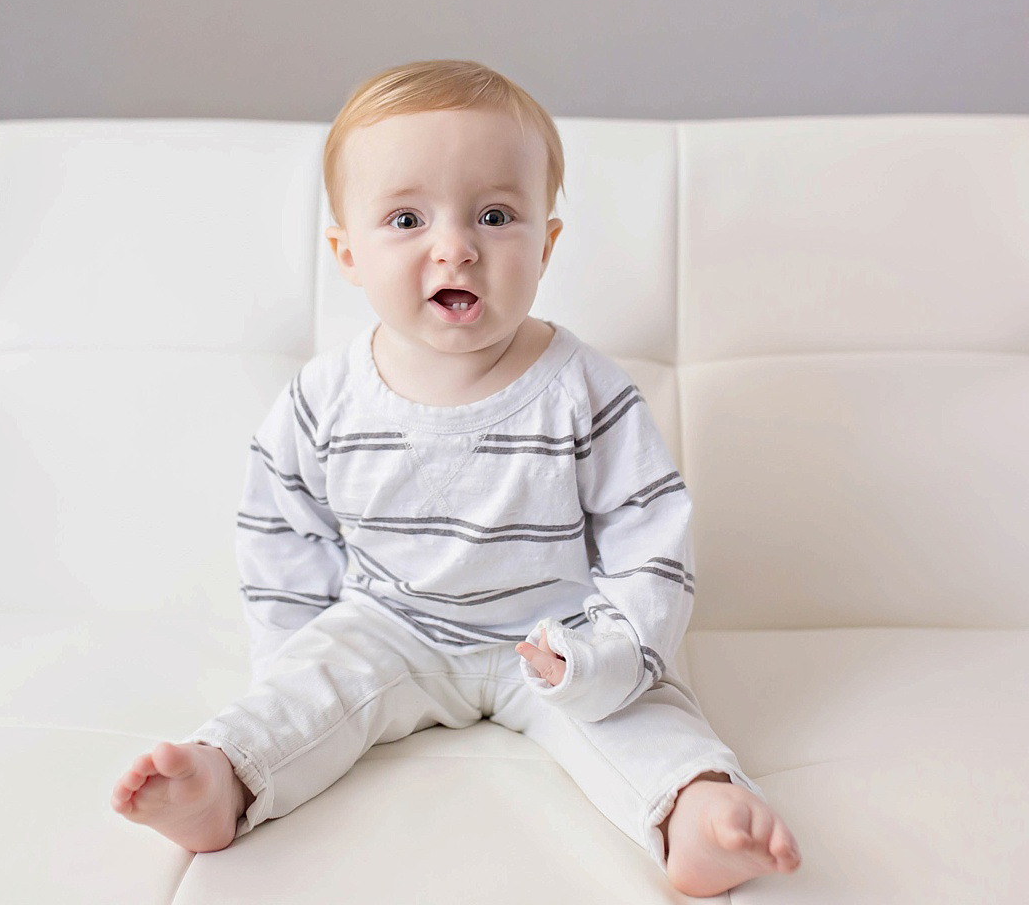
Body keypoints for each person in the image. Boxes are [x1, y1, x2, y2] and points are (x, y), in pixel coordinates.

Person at [109, 58, 801, 896]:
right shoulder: (325, 398)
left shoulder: (584, 390)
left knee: (641, 720)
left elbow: (649, 540)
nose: (455, 246)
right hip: (388, 625)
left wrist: (608, 657)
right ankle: (221, 783)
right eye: (406, 217)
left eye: (495, 215)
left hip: (554, 634)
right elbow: (282, 534)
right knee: (308, 691)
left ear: (545, 243)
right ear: (347, 253)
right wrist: (291, 663)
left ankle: (694, 812)